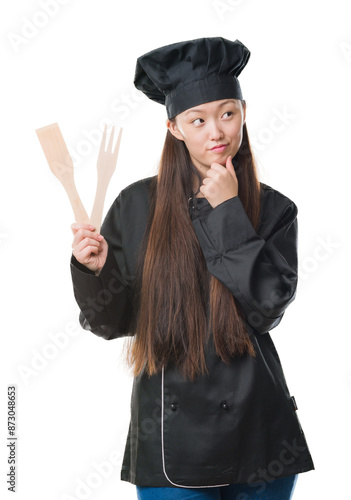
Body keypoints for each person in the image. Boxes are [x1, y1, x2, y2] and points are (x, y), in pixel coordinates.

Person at [70, 37, 315, 499]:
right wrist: (94, 271)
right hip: (171, 444)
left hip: (262, 439)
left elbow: (266, 311)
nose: (216, 131)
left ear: (244, 111)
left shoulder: (275, 209)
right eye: (197, 120)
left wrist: (227, 213)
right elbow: (110, 323)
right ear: (175, 128)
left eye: (227, 113)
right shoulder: (136, 204)